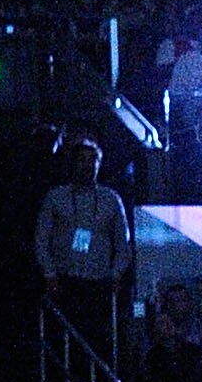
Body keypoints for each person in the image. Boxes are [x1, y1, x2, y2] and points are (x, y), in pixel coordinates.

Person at [34, 141, 130, 358]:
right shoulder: (56, 197)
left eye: (92, 160)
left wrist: (115, 275)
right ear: (73, 163)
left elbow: (123, 243)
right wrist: (49, 274)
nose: (87, 165)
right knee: (64, 342)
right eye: (82, 160)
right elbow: (41, 239)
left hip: (99, 283)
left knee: (97, 343)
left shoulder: (111, 199)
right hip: (64, 281)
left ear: (99, 163)